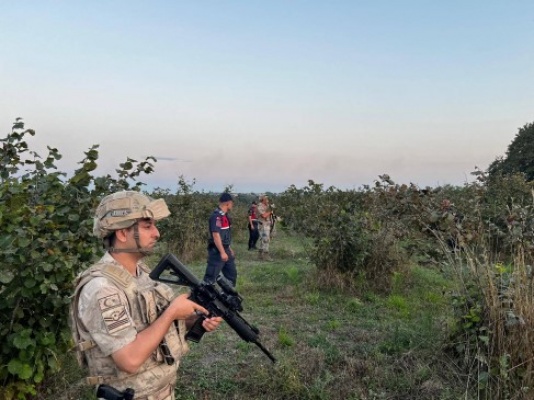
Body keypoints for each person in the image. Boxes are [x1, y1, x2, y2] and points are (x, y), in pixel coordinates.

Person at [69, 191, 222, 400]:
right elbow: (129, 359)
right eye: (147, 226)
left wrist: (193, 319)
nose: (156, 233)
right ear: (122, 233)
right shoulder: (102, 289)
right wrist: (172, 312)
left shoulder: (142, 274)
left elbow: (154, 328)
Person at [202, 192, 237, 287]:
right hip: (217, 251)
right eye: (232, 203)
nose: (232, 205)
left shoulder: (225, 216)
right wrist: (222, 252)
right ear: (228, 203)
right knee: (210, 279)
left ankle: (227, 298)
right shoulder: (216, 216)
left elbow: (225, 235)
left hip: (225, 249)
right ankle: (202, 299)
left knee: (231, 276)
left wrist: (229, 249)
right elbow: (216, 235)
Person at [257, 194, 274, 261]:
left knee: (263, 240)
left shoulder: (267, 206)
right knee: (266, 240)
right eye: (266, 198)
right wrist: (270, 211)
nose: (267, 199)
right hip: (263, 226)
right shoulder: (260, 206)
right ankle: (266, 255)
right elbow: (264, 215)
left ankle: (260, 255)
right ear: (262, 199)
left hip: (267, 225)